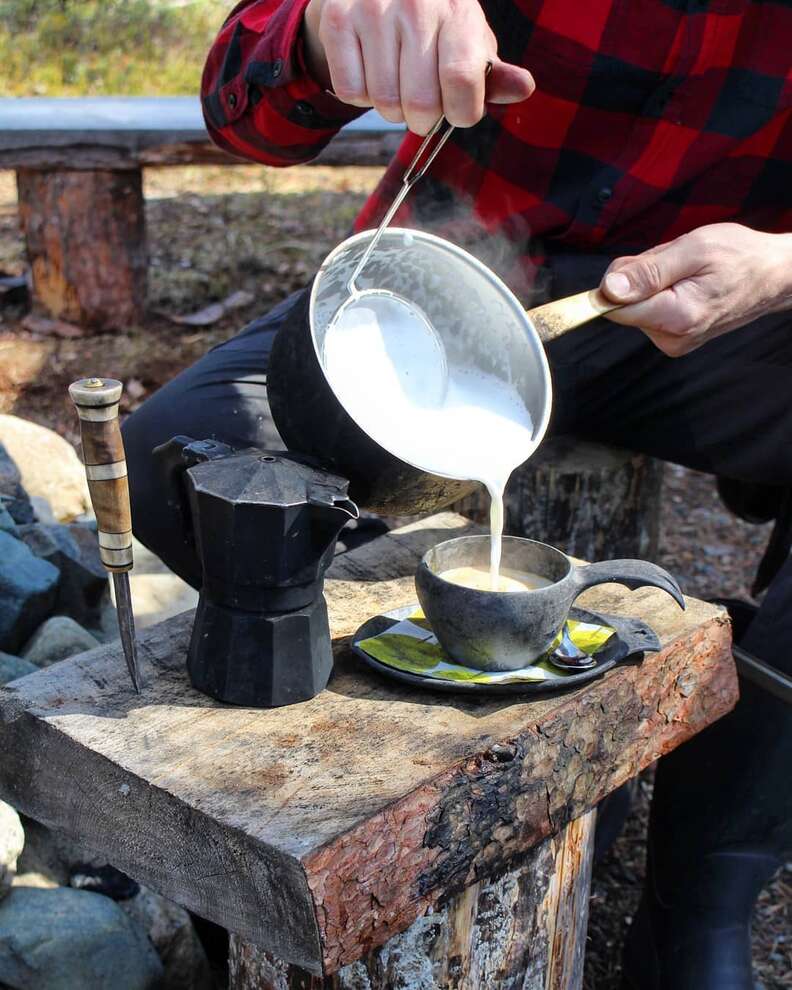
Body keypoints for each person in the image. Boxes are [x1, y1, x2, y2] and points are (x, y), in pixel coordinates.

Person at [123, 3, 792, 987]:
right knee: (174, 459)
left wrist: (781, 265)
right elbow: (238, 99)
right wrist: (321, 33)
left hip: (731, 308)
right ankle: (320, 832)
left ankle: (705, 896)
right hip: (444, 292)